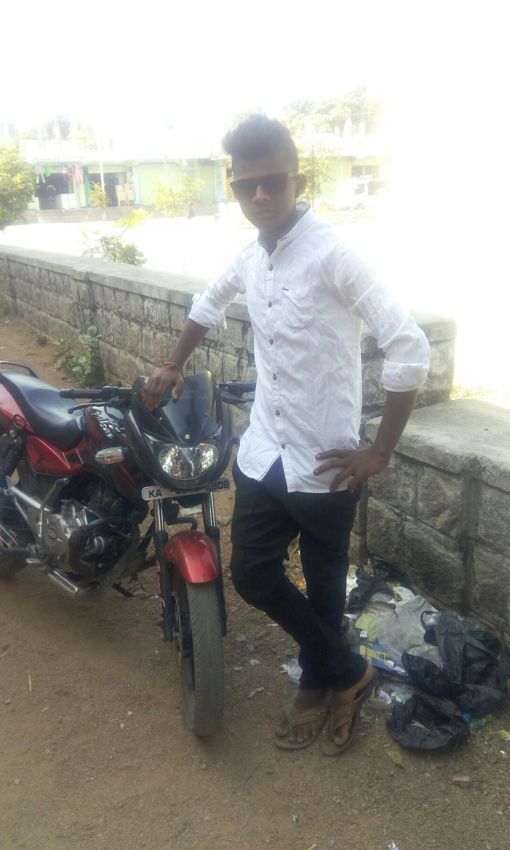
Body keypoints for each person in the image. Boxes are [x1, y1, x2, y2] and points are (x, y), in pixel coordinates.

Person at [143, 115, 430, 755]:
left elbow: (409, 348)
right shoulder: (251, 256)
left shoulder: (335, 256)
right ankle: (348, 672)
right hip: (262, 453)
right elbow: (207, 304)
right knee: (252, 574)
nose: (260, 196)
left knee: (326, 582)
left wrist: (380, 450)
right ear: (234, 188)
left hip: (328, 463)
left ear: (298, 181)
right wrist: (173, 363)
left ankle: (317, 681)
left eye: (273, 182)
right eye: (246, 186)